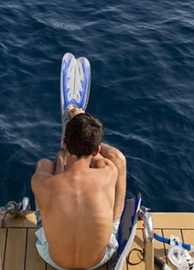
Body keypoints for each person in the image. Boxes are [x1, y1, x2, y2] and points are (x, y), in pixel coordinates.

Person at [31, 106, 127, 270]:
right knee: (119, 160)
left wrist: (61, 162)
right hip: (99, 259)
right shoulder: (109, 173)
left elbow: (58, 183)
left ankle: (63, 159)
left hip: (55, 260)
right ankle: (115, 224)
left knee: (44, 164)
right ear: (97, 149)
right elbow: (113, 157)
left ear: (64, 143)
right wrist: (86, 129)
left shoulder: (41, 183)